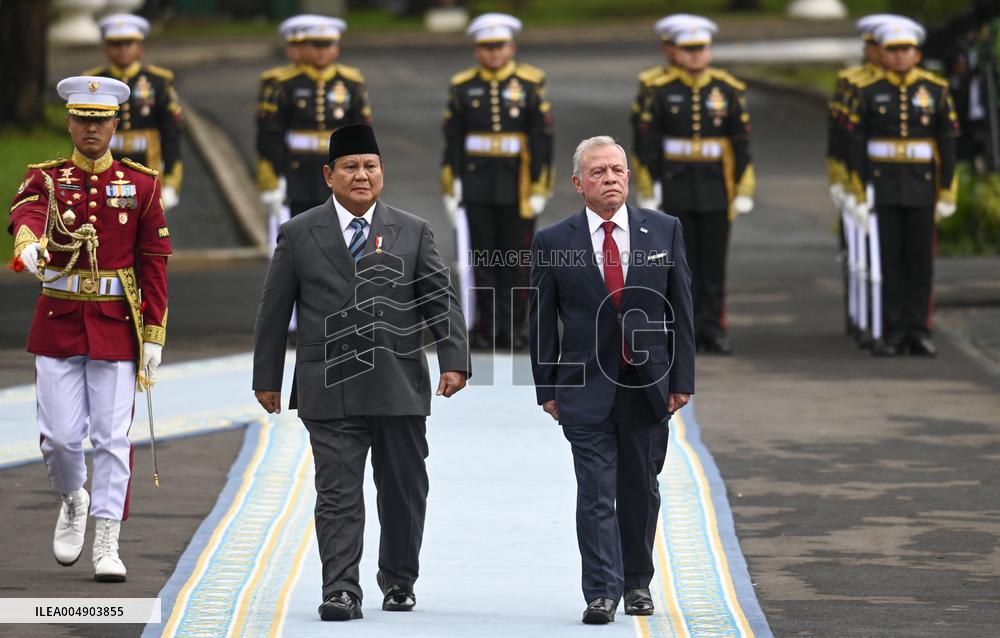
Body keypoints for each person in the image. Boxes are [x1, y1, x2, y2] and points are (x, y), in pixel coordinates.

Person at [252, 124, 470, 621]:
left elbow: (440, 301)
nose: (361, 175)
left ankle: (398, 580)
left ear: (382, 173)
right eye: (350, 166)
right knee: (337, 492)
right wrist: (266, 376)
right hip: (328, 387)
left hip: (398, 385)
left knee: (403, 490)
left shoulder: (413, 230)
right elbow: (273, 310)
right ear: (329, 175)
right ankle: (341, 589)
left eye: (370, 165)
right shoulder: (299, 232)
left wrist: (454, 359)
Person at [6, 76, 172, 582]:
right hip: (58, 319)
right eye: (83, 119)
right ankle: (74, 496)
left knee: (111, 439)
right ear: (69, 122)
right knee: (58, 438)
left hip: (117, 325)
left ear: (116, 124)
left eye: (101, 121)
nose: (92, 129)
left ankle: (106, 536)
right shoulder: (48, 177)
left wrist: (154, 334)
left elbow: (155, 260)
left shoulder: (141, 184)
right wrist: (29, 243)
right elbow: (25, 211)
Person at [529, 136, 695, 624]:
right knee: (596, 492)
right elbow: (541, 320)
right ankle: (601, 591)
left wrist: (681, 378)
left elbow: (682, 311)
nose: (610, 180)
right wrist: (547, 388)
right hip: (583, 386)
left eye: (618, 170)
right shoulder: (554, 241)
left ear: (629, 176)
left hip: (648, 386)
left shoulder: (663, 230)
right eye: (598, 173)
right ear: (579, 184)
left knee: (641, 488)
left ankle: (637, 581)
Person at [634, 16, 754, 355]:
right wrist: (649, 186)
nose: (695, 55)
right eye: (688, 49)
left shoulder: (728, 89)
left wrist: (742, 189)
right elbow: (647, 143)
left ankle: (713, 328)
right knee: (675, 265)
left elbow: (741, 144)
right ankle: (678, 331)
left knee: (713, 265)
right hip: (676, 186)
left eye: (700, 48)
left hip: (716, 187)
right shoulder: (660, 90)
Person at [442, 12, 554, 350]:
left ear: (512, 47)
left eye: (499, 46)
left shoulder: (531, 83)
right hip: (477, 184)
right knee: (482, 259)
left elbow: (541, 138)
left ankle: (516, 326)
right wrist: (452, 182)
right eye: (487, 47)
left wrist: (539, 185)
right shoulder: (463, 86)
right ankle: (486, 325)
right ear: (477, 51)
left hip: (516, 185)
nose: (493, 53)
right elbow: (453, 139)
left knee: (517, 261)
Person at [848, 18, 959, 356]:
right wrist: (858, 189)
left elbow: (947, 144)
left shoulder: (935, 90)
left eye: (905, 50)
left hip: (922, 188)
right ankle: (894, 330)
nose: (899, 56)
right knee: (890, 262)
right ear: (882, 53)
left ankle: (919, 330)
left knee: (920, 263)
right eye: (893, 50)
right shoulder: (868, 93)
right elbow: (857, 145)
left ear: (917, 54)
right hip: (883, 187)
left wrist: (946, 190)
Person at [257, 15, 373, 223]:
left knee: (342, 228)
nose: (322, 51)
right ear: (305, 49)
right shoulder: (286, 83)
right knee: (301, 229)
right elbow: (271, 132)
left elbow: (361, 131)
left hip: (340, 167)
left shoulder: (350, 82)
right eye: (316, 46)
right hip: (298, 168)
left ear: (336, 48)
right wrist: (273, 174)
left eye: (328, 45)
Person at [84, 14, 184, 210]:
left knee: (148, 229)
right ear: (106, 48)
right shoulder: (94, 83)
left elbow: (171, 133)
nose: (122, 50)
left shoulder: (158, 81)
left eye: (128, 44)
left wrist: (171, 180)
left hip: (149, 165)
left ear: (140, 48)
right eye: (115, 44)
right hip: (105, 167)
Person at [256, 15, 309, 249]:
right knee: (284, 221)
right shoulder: (276, 81)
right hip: (288, 159)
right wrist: (269, 172)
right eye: (295, 46)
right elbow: (267, 131)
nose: (301, 52)